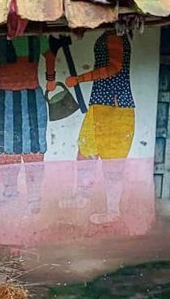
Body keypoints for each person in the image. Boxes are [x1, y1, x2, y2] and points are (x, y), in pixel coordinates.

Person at [0, 36, 56, 213]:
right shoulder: (1, 33)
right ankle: (10, 192)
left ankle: (34, 196)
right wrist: (50, 78)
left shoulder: (33, 34)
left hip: (30, 98)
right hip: (7, 99)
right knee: (7, 147)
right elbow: (48, 56)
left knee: (34, 148)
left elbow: (20, 68)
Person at [65, 29, 135, 224]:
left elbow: (113, 67)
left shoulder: (116, 35)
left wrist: (80, 79)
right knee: (85, 151)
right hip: (100, 105)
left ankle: (113, 212)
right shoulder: (109, 35)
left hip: (115, 107)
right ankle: (82, 197)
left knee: (113, 163)